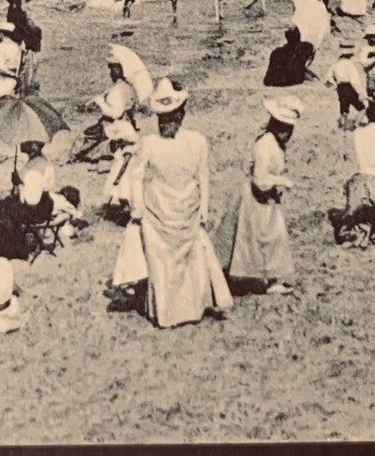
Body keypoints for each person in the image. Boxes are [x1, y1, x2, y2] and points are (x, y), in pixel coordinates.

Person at [127, 81, 232, 328]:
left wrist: (204, 205)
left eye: (171, 117)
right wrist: (139, 206)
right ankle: (167, 314)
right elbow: (136, 175)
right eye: (161, 119)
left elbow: (203, 175)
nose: (166, 123)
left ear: (182, 115)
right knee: (161, 262)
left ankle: (191, 309)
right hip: (158, 211)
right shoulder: (149, 143)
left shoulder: (196, 141)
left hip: (188, 208)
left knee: (190, 261)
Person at [215, 96, 301, 295]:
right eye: (282, 127)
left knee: (272, 237)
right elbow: (260, 180)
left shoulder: (276, 145)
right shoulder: (264, 145)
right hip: (255, 198)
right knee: (254, 238)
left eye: (289, 129)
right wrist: (282, 181)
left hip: (268, 199)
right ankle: (247, 278)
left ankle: (272, 279)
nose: (286, 133)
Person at [329, 33, 367, 129]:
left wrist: (335, 85)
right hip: (349, 87)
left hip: (341, 88)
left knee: (344, 109)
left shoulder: (336, 64)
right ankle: (356, 124)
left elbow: (328, 78)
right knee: (362, 108)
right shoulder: (350, 64)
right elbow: (355, 81)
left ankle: (342, 126)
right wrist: (360, 92)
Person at [0, 20, 24, 100]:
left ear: (2, 34)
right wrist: (16, 77)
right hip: (14, 81)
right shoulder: (16, 47)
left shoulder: (0, 47)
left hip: (3, 80)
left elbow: (1, 67)